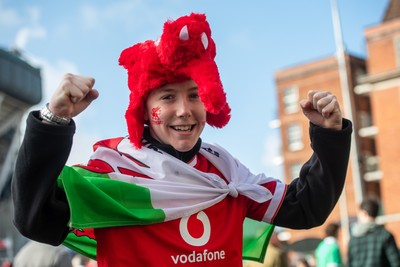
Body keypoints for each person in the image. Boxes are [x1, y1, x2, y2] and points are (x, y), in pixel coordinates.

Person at [12, 13, 352, 267]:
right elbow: (35, 219)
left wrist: (330, 136)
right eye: (167, 98)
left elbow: (306, 208)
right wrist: (53, 121)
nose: (184, 110)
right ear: (143, 110)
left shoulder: (228, 175)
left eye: (194, 95)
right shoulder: (111, 174)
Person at [347, 197, 400, 267]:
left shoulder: (353, 237)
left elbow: (349, 263)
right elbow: (396, 262)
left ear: (364, 213)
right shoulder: (385, 235)